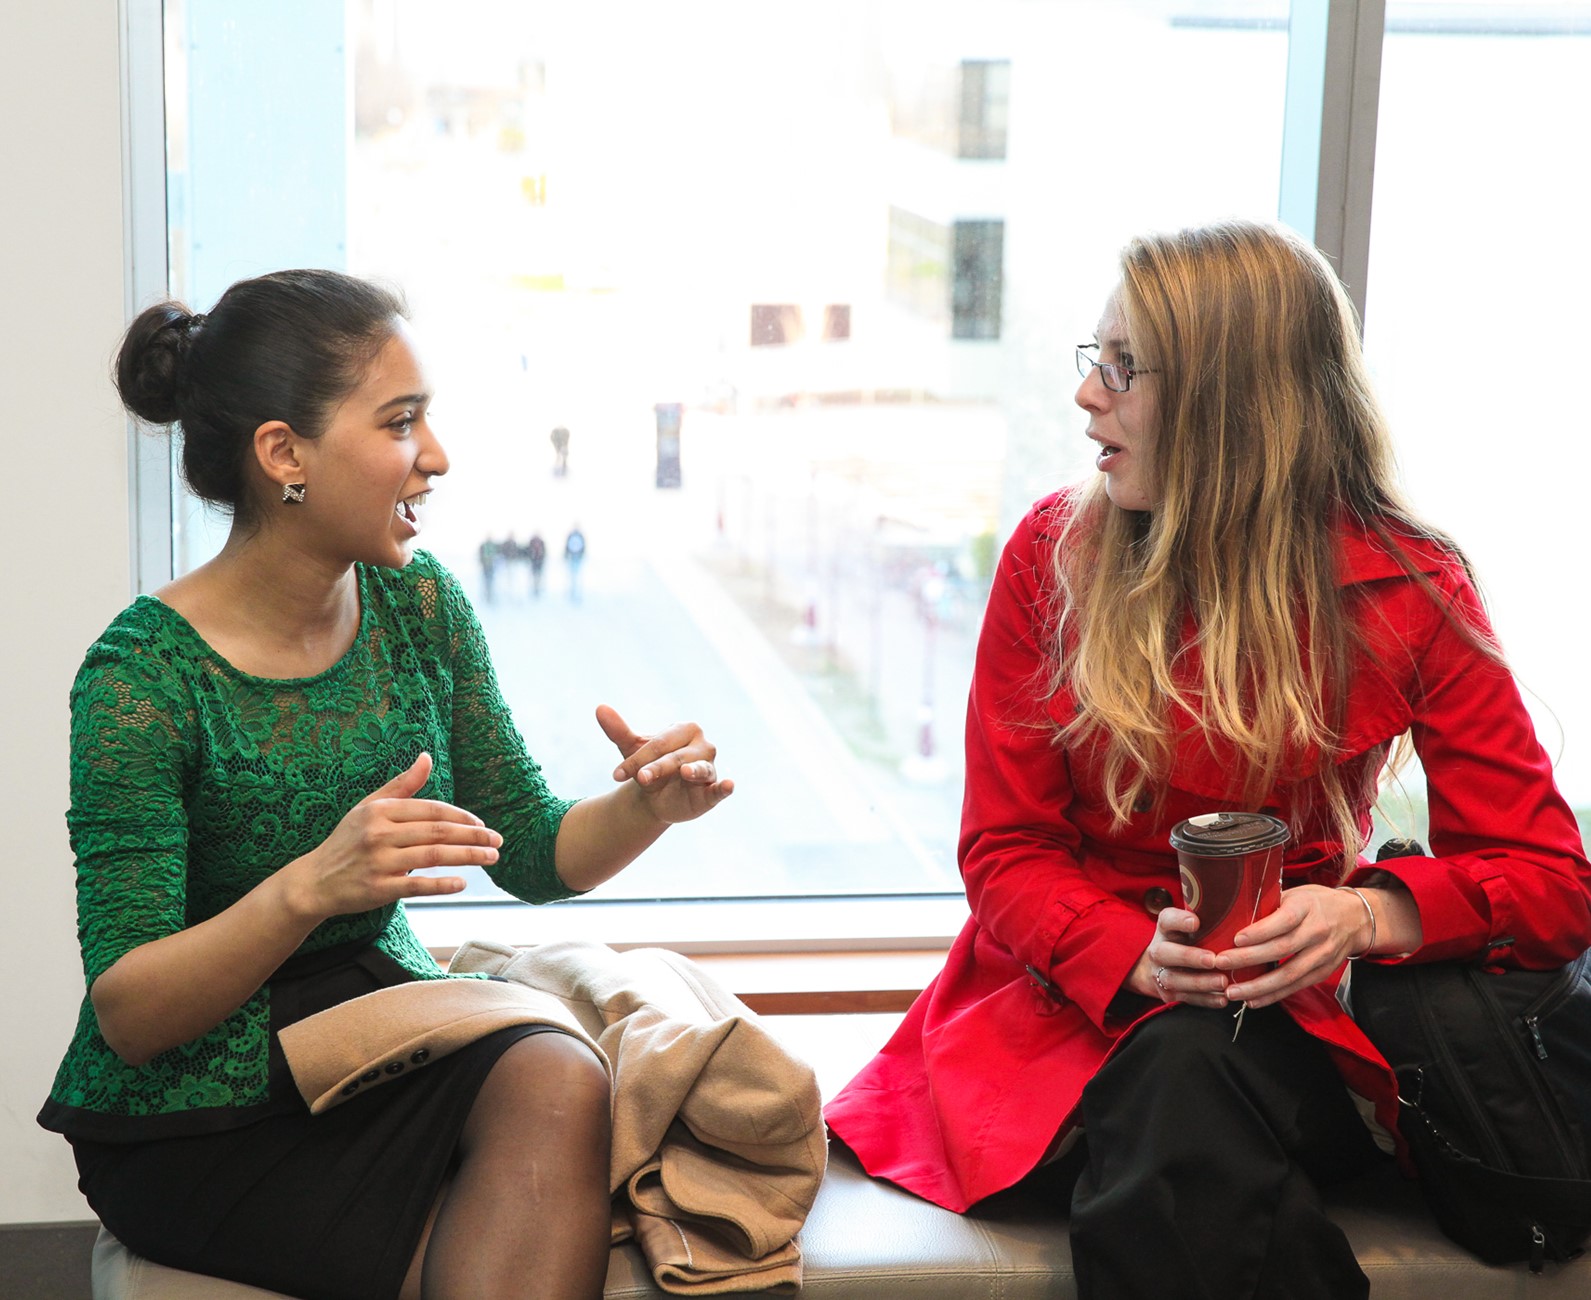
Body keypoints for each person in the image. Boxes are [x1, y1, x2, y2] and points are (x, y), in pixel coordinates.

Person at [823, 219, 1591, 1299]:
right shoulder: (1054, 557)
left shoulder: (1408, 587)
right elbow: (1005, 850)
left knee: (1189, 1089)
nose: (1086, 397)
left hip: (1292, 1031)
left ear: (1234, 401)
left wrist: (1366, 915)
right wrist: (1121, 948)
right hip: (1061, 1021)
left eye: (1121, 368)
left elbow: (1554, 885)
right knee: (1184, 1085)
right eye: (1094, 362)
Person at [38, 269, 734, 1300]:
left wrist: (645, 806)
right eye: (402, 422)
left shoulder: (420, 605)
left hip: (377, 1034)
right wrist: (310, 886)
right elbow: (133, 1009)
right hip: (197, 1112)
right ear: (285, 456)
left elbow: (534, 850)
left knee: (556, 1071)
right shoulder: (143, 675)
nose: (437, 457)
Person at [565, 524, 587, 603]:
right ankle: (572, 592)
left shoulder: (580, 536)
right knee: (572, 576)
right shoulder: (571, 536)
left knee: (577, 576)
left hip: (577, 557)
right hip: (572, 557)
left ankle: (577, 592)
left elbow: (583, 546)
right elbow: (567, 546)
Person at [526, 530, 548, 597]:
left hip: (539, 562)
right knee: (533, 577)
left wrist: (542, 558)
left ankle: (538, 589)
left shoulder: (542, 542)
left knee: (539, 577)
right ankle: (534, 589)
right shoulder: (532, 542)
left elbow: (544, 552)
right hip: (533, 562)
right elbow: (528, 551)